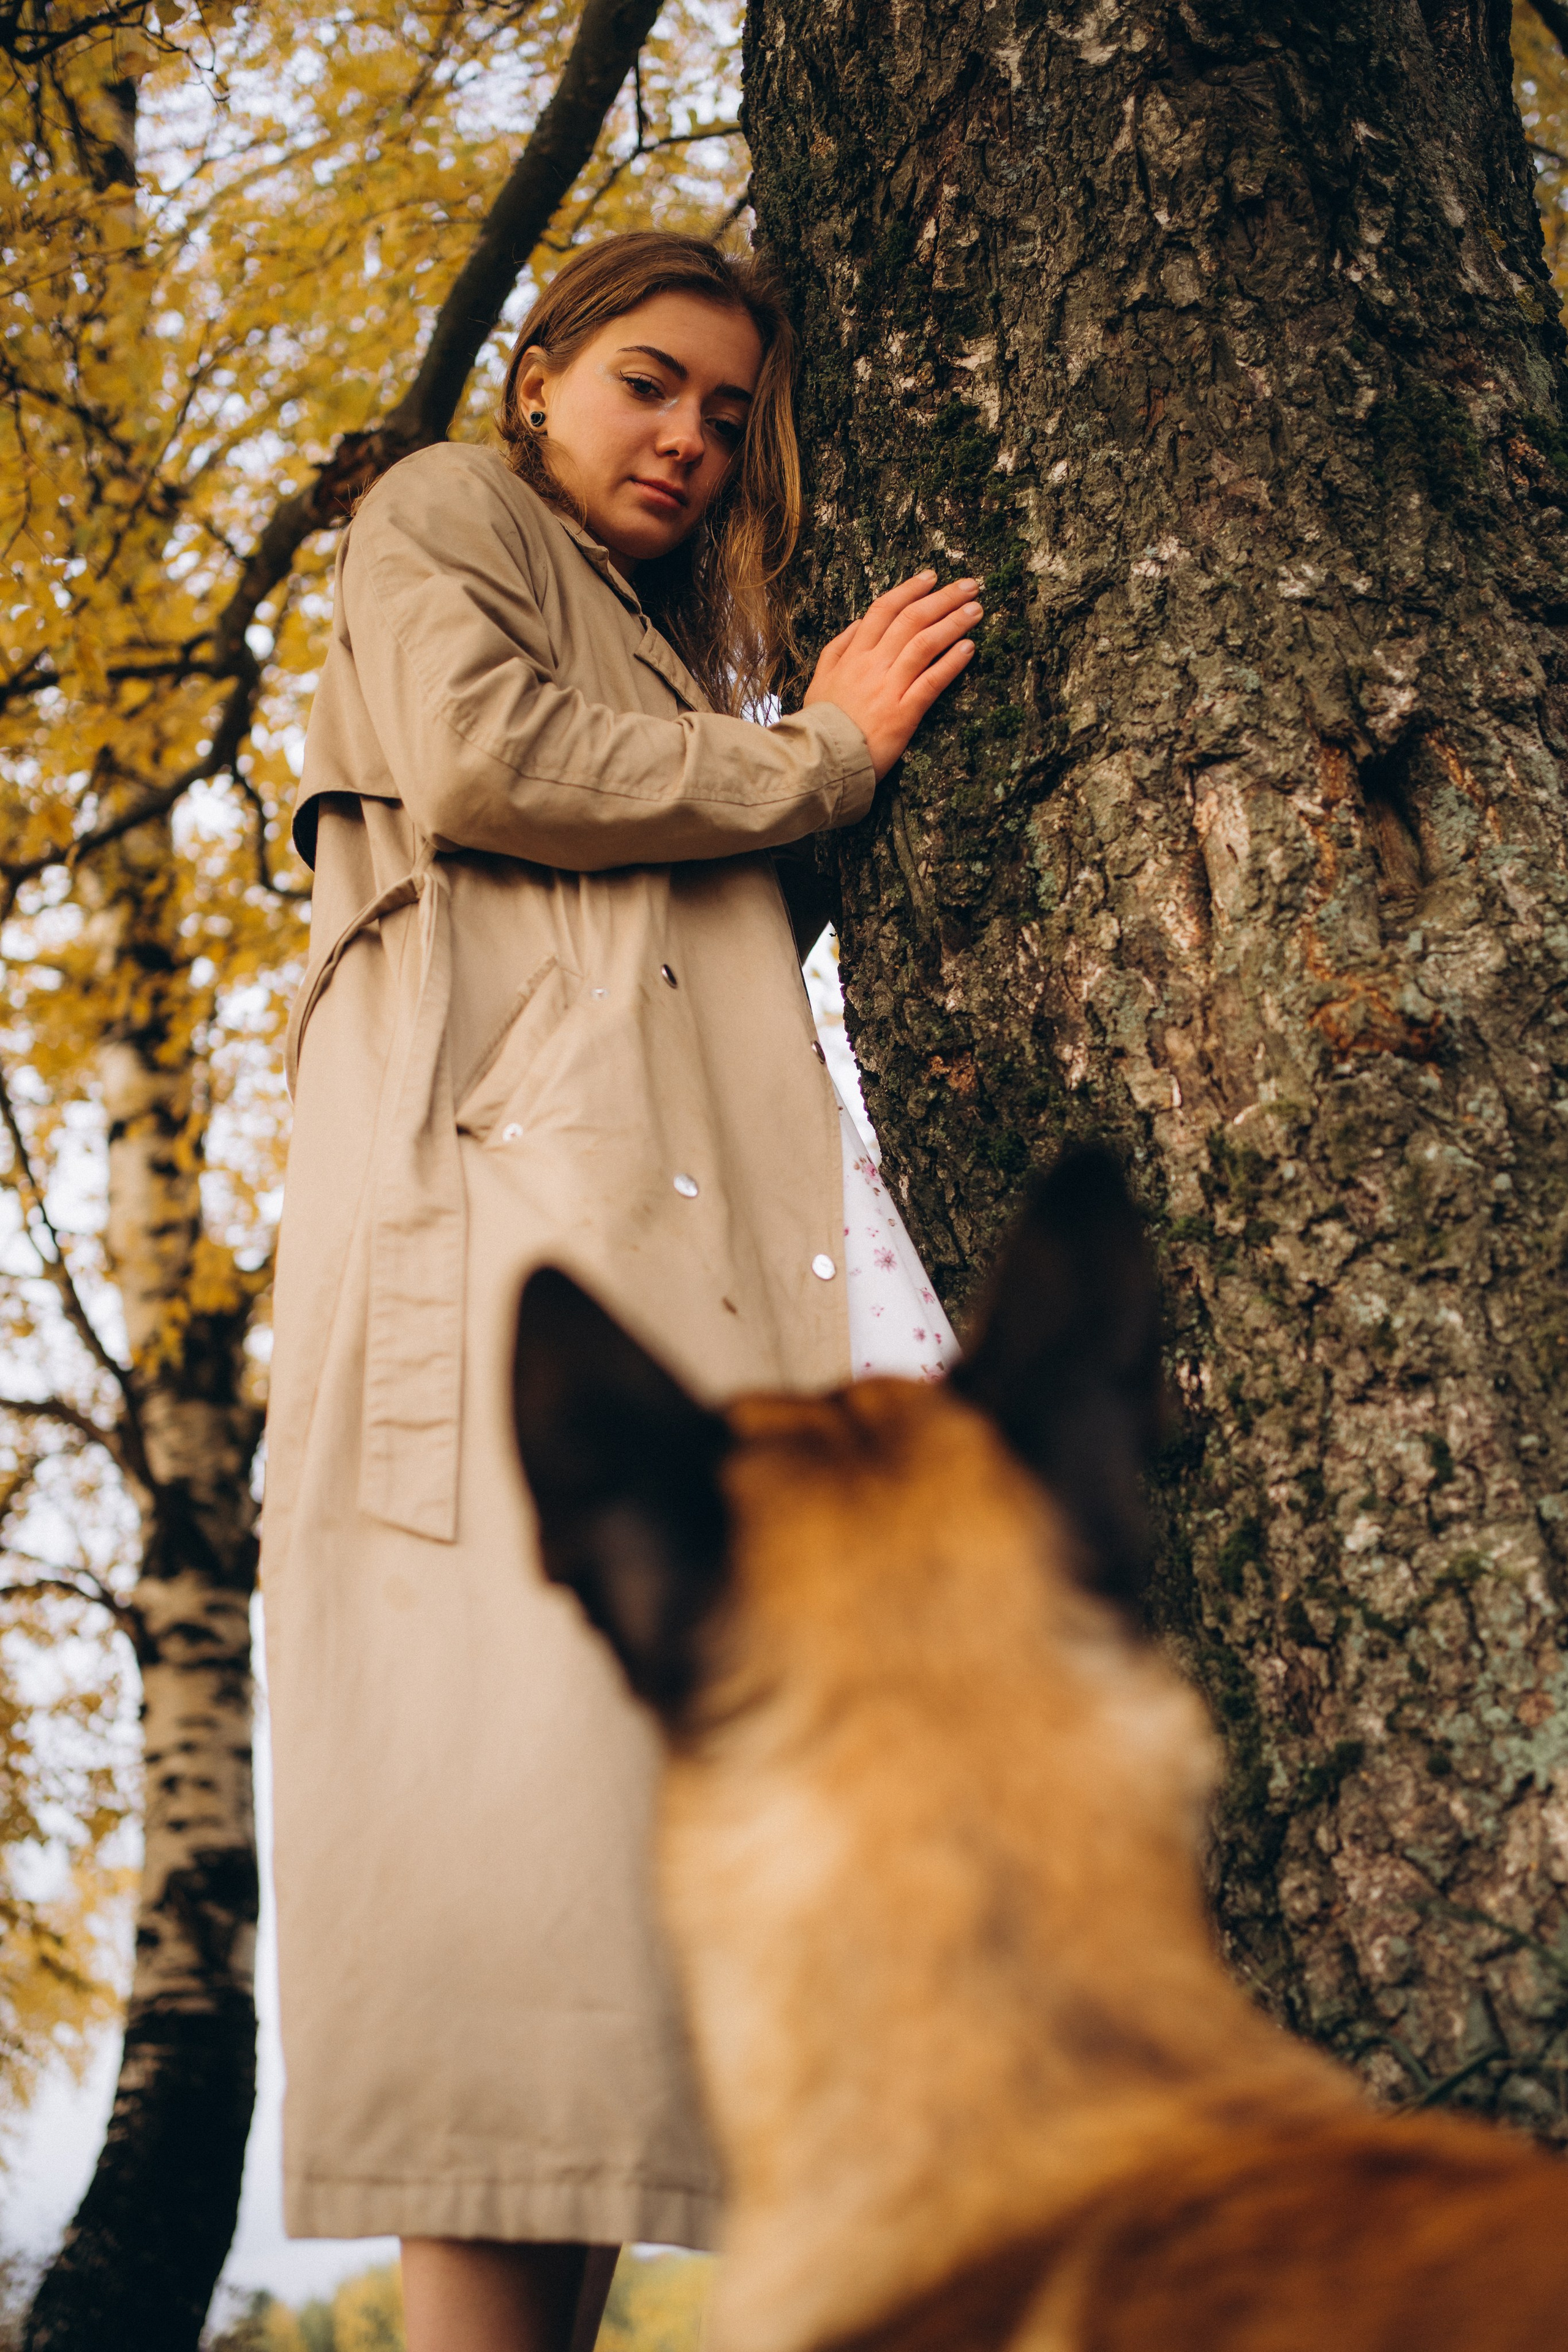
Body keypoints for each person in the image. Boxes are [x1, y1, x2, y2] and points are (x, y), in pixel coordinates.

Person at [260, 230, 979, 2352]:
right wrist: (822, 754)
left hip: (633, 1293)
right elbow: (488, 762)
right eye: (647, 381)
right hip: (496, 1279)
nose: (687, 439)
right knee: (512, 1923)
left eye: (729, 418)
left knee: (599, 1947)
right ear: (538, 373)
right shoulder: (445, 511)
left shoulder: (657, 653)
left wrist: (812, 772)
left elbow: (696, 921)